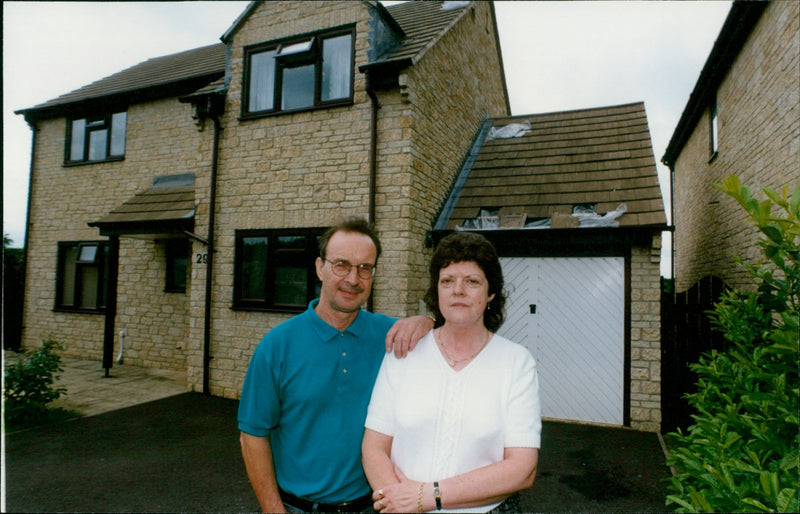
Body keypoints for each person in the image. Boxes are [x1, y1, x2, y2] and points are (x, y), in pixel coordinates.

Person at [238, 217, 434, 513]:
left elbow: (451, 339)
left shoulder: (390, 336)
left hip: (372, 506)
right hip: (298, 508)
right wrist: (272, 509)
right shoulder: (277, 345)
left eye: (364, 268)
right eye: (341, 265)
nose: (353, 279)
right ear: (320, 268)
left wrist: (428, 321)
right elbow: (252, 436)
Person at [362, 231, 541, 513]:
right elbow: (374, 448)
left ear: (491, 292)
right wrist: (396, 502)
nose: (458, 290)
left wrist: (427, 496)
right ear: (437, 290)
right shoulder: (404, 351)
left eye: (472, 281)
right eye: (447, 281)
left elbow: (522, 469)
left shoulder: (516, 362)